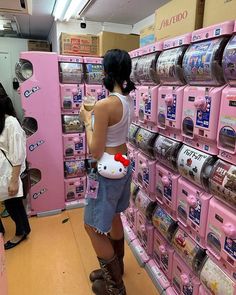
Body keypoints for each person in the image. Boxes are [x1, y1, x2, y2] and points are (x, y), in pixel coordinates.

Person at [80, 49, 135, 295]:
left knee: (91, 226)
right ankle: (116, 269)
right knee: (114, 216)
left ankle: (115, 287)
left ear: (106, 71)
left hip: (104, 170)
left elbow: (94, 150)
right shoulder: (127, 100)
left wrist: (86, 121)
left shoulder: (103, 106)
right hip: (123, 165)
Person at [0, 92, 31, 250]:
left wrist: (13, 181)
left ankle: (21, 232)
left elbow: (18, 155)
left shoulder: (11, 123)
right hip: (3, 174)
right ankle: (24, 229)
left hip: (9, 174)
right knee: (12, 204)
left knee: (13, 205)